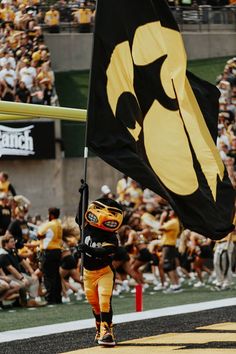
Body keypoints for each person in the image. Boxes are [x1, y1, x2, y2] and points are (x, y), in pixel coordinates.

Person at [77, 198, 123, 346]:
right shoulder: (86, 226)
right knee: (94, 303)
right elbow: (79, 217)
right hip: (88, 273)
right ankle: (99, 327)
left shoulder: (111, 236)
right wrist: (82, 196)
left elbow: (103, 251)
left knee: (104, 301)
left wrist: (87, 249)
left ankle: (107, 331)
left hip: (104, 272)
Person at [37, 207, 62, 304]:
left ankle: (50, 298)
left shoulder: (50, 224)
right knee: (56, 275)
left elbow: (39, 234)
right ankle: (57, 297)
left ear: (51, 215)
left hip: (49, 252)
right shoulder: (59, 224)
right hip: (57, 250)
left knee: (48, 275)